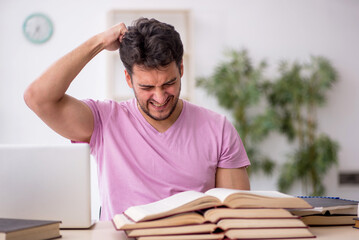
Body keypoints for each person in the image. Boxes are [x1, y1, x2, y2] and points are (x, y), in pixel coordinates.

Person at [24, 18, 250, 221]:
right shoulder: (103, 122)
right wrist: (100, 42)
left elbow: (235, 219)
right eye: (147, 87)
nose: (160, 97)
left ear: (181, 69)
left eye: (168, 83)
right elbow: (38, 98)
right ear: (128, 80)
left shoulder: (218, 129)